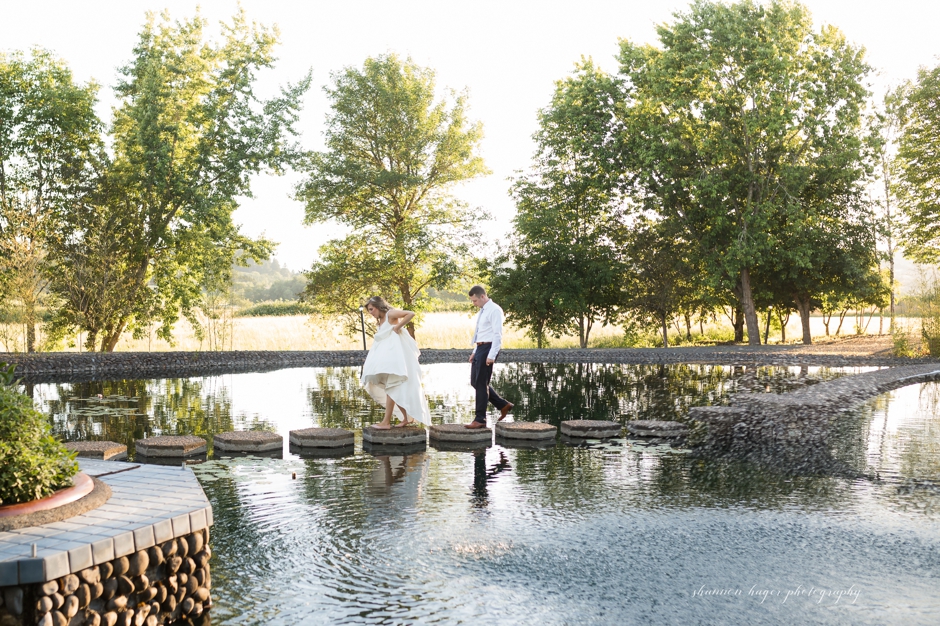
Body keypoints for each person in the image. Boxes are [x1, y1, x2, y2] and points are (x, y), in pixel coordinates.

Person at [360, 296, 432, 429]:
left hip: (395, 359)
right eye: (369, 310)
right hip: (387, 358)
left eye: (371, 309)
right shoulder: (381, 320)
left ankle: (386, 422)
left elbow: (410, 313)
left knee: (392, 386)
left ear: (378, 306)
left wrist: (398, 326)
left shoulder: (390, 314)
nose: (370, 313)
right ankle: (406, 418)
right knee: (392, 387)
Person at [465, 285, 513, 429]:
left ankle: (480, 419)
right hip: (480, 347)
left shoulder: (494, 310)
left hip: (488, 348)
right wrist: (475, 351)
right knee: (475, 382)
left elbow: (497, 334)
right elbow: (481, 332)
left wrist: (491, 355)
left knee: (481, 383)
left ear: (482, 296)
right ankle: (503, 405)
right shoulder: (483, 310)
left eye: (475, 301)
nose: (474, 304)